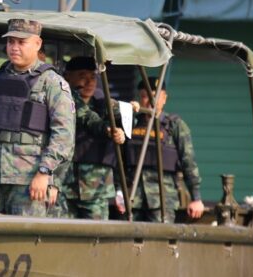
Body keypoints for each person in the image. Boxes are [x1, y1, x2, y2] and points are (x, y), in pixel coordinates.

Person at [0, 18, 75, 217]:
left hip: (29, 180)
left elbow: (64, 136)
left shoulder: (52, 83)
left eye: (21, 42)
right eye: (10, 42)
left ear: (37, 44)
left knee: (26, 233)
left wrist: (45, 173)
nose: (14, 47)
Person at [126, 78, 204, 223]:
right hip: (132, 199)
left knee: (159, 236)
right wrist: (119, 191)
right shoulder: (131, 123)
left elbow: (189, 162)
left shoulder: (174, 125)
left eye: (155, 96)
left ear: (164, 99)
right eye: (145, 96)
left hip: (162, 199)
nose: (151, 101)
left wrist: (196, 198)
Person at [58, 56, 126, 220]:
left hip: (96, 187)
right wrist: (106, 129)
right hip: (62, 184)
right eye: (82, 76)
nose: (89, 82)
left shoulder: (106, 104)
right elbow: (88, 118)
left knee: (97, 233)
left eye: (93, 77)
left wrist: (120, 132)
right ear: (68, 77)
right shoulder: (60, 100)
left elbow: (129, 122)